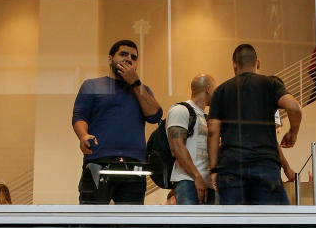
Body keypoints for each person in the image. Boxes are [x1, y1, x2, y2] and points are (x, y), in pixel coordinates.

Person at [207, 44, 302, 205]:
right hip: (265, 165)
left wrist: (214, 169)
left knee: (233, 227)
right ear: (257, 63)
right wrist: (293, 131)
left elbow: (212, 132)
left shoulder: (221, 91)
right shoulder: (270, 84)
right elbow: (294, 107)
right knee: (275, 224)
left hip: (231, 167)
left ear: (234, 66)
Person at [71, 39, 162, 205]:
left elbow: (155, 116)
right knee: (92, 221)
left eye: (133, 57)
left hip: (133, 165)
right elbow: (79, 116)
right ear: (110, 58)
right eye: (123, 54)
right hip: (99, 162)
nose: (128, 59)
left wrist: (135, 82)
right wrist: (83, 136)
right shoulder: (92, 85)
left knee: (130, 226)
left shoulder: (142, 90)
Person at [168, 74, 215, 205]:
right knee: (188, 224)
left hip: (207, 184)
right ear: (208, 89)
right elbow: (176, 147)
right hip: (188, 181)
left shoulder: (206, 117)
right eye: (215, 90)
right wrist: (197, 177)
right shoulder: (180, 110)